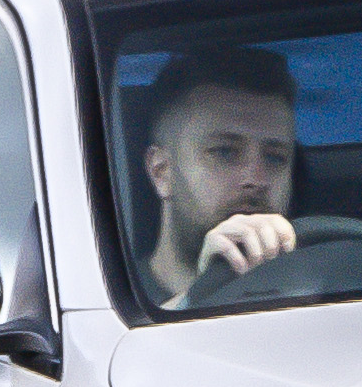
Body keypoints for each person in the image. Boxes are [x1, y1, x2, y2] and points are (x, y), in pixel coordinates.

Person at [130, 42, 309, 305]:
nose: (255, 179)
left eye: (275, 157)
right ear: (161, 172)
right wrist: (197, 297)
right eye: (225, 153)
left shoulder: (315, 286)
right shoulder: (115, 302)